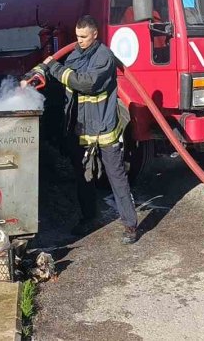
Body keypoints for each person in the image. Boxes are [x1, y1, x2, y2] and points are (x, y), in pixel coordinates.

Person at [23, 15, 139, 244]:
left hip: (104, 131)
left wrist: (55, 67)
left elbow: (86, 83)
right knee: (83, 178)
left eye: (84, 37)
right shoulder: (75, 54)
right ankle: (89, 218)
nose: (80, 40)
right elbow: (57, 72)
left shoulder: (104, 57)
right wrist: (36, 74)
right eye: (77, 36)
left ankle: (130, 226)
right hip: (82, 130)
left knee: (116, 178)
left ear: (95, 34)